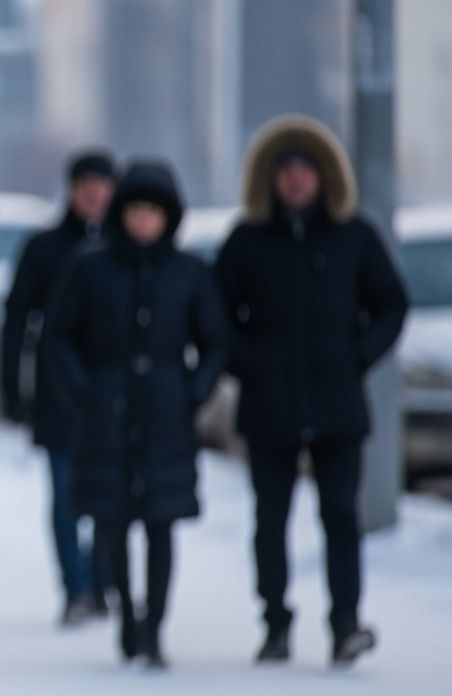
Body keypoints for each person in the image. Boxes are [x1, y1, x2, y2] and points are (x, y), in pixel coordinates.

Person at [214, 115, 409, 666]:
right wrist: (244, 363)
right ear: (270, 179)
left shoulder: (355, 237)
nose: (297, 181)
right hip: (268, 405)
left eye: (306, 170)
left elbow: (391, 303)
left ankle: (345, 622)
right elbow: (215, 314)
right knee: (270, 519)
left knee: (340, 516)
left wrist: (359, 354)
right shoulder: (247, 242)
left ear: (324, 177)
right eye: (286, 171)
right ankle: (275, 622)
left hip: (337, 404)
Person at [47, 161, 227, 670]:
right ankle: (125, 611)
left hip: (167, 414)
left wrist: (192, 391)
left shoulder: (189, 272)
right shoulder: (90, 267)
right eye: (136, 211)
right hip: (106, 414)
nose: (143, 222)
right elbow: (59, 337)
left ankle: (155, 625)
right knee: (112, 521)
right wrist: (83, 391)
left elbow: (215, 341)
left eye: (153, 212)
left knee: (160, 523)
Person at [0, 150, 116, 625]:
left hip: (113, 394)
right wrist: (12, 388)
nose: (92, 194)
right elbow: (16, 321)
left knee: (111, 494)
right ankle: (75, 588)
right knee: (67, 494)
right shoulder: (43, 247)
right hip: (58, 392)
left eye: (101, 184)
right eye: (84, 184)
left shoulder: (127, 246)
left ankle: (103, 578)